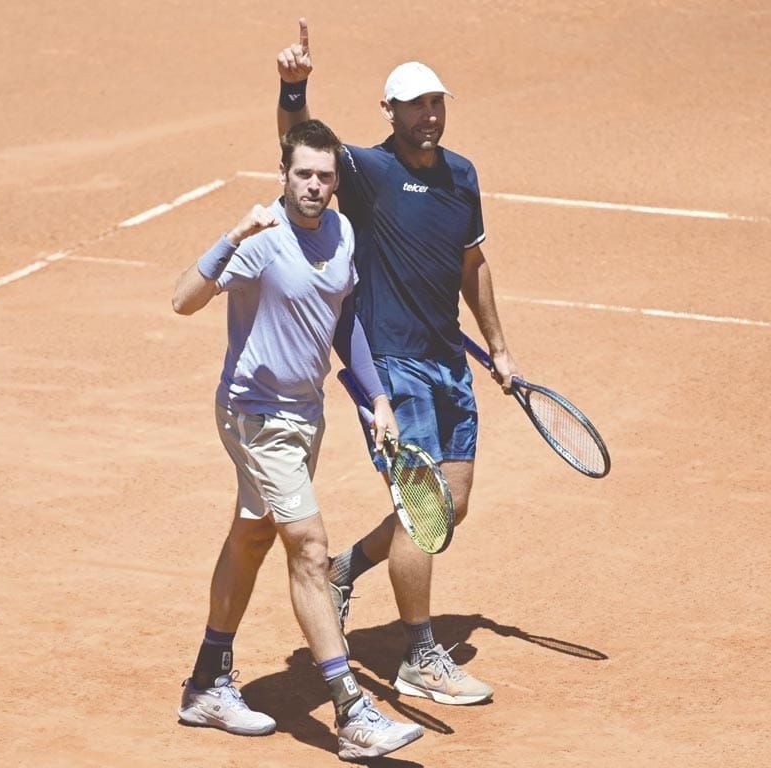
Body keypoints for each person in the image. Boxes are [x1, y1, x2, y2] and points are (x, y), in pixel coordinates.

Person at [276, 20, 520, 706]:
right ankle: (419, 654)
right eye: (415, 105)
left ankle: (342, 569)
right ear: (389, 111)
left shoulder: (462, 175)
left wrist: (498, 345)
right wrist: (294, 87)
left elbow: (472, 264)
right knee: (423, 508)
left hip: (448, 363)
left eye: (436, 103)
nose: (428, 115)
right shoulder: (368, 172)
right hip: (390, 364)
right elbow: (299, 143)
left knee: (453, 504)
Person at [172, 118, 423, 761]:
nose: (314, 185)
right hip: (254, 416)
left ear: (336, 183)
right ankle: (351, 712)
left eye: (324, 176)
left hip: (305, 416)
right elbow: (183, 300)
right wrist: (233, 234)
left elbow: (344, 322)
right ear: (283, 175)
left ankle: (206, 684)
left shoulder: (341, 234)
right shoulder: (261, 239)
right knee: (310, 549)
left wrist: (376, 397)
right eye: (303, 173)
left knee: (253, 535)